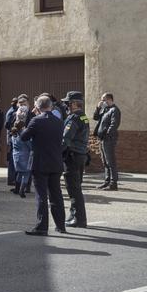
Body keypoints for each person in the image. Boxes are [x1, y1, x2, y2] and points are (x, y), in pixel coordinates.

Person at [21, 96, 67, 235]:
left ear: (38, 106)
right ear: (51, 106)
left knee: (41, 196)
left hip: (40, 162)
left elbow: (24, 137)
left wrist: (24, 125)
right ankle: (61, 225)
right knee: (56, 195)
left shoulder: (36, 120)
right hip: (55, 161)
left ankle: (42, 227)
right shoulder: (59, 121)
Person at [61, 91, 90, 228]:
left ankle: (79, 219)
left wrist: (56, 153)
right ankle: (74, 215)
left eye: (67, 103)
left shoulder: (73, 119)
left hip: (72, 156)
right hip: (80, 155)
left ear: (73, 104)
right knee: (76, 188)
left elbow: (65, 140)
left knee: (73, 189)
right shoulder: (83, 117)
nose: (66, 105)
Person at [93, 93, 122, 190]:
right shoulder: (105, 109)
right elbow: (96, 118)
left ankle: (113, 183)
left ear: (109, 99)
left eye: (103, 100)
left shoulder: (115, 110)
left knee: (111, 161)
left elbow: (114, 125)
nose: (102, 102)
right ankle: (107, 181)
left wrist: (107, 135)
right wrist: (98, 108)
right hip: (102, 138)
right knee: (105, 161)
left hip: (108, 139)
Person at [10, 95, 34, 198]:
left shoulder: (13, 132)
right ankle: (22, 190)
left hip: (16, 155)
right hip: (25, 154)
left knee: (19, 172)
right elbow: (29, 144)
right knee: (26, 174)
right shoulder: (24, 133)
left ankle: (17, 187)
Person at [4, 98, 19, 187]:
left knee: (12, 159)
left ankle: (12, 179)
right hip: (12, 137)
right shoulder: (12, 112)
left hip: (11, 137)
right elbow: (7, 125)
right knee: (12, 160)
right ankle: (12, 179)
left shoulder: (12, 110)